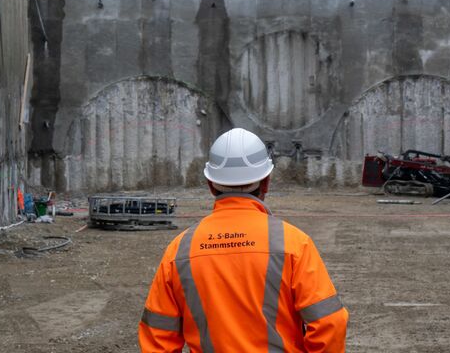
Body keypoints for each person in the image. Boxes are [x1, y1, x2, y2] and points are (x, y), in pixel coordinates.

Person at [139, 128, 348, 352]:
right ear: (266, 182)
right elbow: (329, 323)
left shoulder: (180, 250)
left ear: (211, 186)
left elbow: (158, 338)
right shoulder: (294, 244)